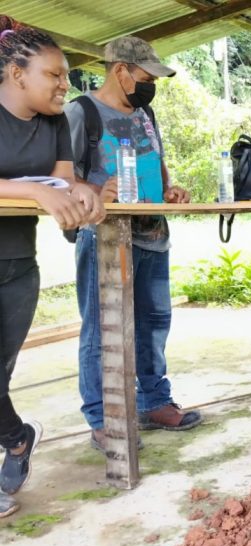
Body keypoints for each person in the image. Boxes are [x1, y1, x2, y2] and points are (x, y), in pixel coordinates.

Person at [64, 36, 202, 453]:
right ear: (120, 71)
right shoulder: (81, 112)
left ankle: (154, 402)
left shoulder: (146, 112)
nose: (150, 86)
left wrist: (170, 189)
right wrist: (90, 188)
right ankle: (102, 418)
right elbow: (57, 180)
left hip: (153, 235)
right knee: (102, 331)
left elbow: (155, 161)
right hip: (104, 239)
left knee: (154, 323)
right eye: (145, 77)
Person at [0, 16, 104, 517]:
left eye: (66, 75)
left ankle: (16, 440)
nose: (65, 84)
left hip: (17, 265)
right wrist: (34, 189)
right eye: (54, 74)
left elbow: (62, 182)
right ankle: (18, 439)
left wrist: (84, 194)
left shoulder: (56, 122)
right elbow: (43, 187)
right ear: (17, 74)